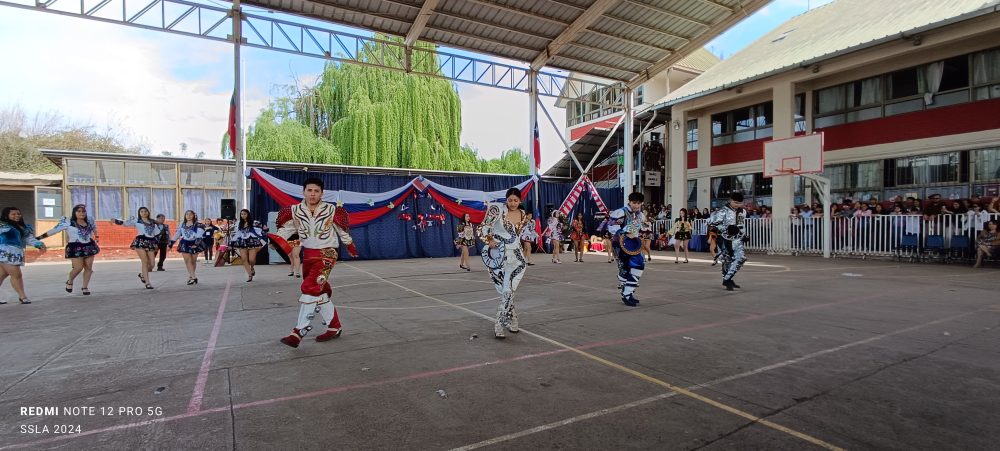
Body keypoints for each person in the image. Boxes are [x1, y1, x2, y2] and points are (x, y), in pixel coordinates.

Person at [280, 177, 357, 348]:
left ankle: (299, 331)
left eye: (316, 191)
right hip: (308, 255)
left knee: (310, 288)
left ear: (322, 193)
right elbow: (287, 229)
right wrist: (276, 239)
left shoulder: (331, 209)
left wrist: (349, 244)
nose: (313, 194)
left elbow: (340, 229)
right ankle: (334, 326)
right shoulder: (295, 210)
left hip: (327, 253)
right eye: (309, 190)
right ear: (304, 192)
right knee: (318, 291)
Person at [479, 188, 530, 339]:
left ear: (520, 201)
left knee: (508, 291)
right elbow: (482, 229)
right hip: (498, 257)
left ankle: (499, 324)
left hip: (517, 259)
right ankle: (513, 321)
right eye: (510, 200)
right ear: (506, 200)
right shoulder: (496, 210)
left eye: (516, 200)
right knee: (506, 292)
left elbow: (517, 236)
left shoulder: (523, 215)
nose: (513, 203)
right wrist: (489, 240)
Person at [37, 204, 99, 295]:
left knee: (88, 268)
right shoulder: (68, 221)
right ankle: (70, 281)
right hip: (75, 247)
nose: (81, 213)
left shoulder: (89, 219)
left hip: (89, 246)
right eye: (79, 211)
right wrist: (39, 238)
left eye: (83, 211)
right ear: (74, 212)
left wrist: (97, 236)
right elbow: (54, 230)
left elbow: (94, 228)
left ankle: (85, 287)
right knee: (78, 268)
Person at [0, 207, 46, 304]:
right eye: (13, 214)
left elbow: (29, 239)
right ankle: (22, 296)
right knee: (17, 274)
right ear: (6, 215)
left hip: (16, 252)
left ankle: (22, 296)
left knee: (2, 274)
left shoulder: (22, 227)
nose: (17, 216)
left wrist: (39, 244)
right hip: (5, 252)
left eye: (18, 214)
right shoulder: (2, 225)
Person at [609, 192, 646, 306]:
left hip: (633, 244)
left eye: (638, 203)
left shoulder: (640, 215)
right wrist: (625, 230)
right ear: (629, 201)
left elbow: (641, 228)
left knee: (638, 265)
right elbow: (611, 228)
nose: (636, 205)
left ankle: (627, 293)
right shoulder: (620, 212)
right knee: (625, 269)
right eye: (634, 202)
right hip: (619, 244)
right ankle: (627, 293)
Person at [113, 207, 162, 289]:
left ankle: (142, 274)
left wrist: (156, 243)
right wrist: (116, 221)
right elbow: (126, 223)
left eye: (145, 211)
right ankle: (147, 283)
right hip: (140, 241)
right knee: (145, 261)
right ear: (139, 213)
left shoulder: (153, 222)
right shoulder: (137, 221)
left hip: (151, 242)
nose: (144, 213)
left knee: (152, 264)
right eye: (142, 211)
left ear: (148, 212)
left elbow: (156, 233)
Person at [708, 192, 748, 291]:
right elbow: (710, 222)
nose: (737, 205)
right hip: (724, 239)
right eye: (735, 202)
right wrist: (725, 229)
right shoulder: (723, 211)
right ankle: (728, 280)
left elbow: (741, 225)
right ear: (730, 200)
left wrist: (744, 235)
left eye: (739, 203)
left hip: (737, 239)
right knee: (727, 260)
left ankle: (727, 279)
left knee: (741, 258)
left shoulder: (743, 211)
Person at [169, 210, 206, 285]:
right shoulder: (182, 224)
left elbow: (200, 235)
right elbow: (177, 234)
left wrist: (196, 244)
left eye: (190, 214)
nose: (188, 216)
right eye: (187, 214)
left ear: (194, 215)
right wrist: (171, 243)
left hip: (195, 243)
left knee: (193, 261)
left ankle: (191, 276)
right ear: (185, 216)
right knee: (187, 261)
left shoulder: (198, 225)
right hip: (185, 243)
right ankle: (194, 277)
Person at [231, 209, 267, 282]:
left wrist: (265, 229)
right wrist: (232, 241)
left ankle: (252, 267)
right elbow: (236, 233)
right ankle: (249, 275)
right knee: (244, 259)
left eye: (244, 214)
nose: (243, 215)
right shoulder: (238, 223)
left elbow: (263, 229)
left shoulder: (254, 222)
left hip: (252, 242)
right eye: (242, 214)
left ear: (248, 214)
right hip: (242, 242)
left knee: (251, 259)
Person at [269, 206, 302, 277]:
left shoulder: (299, 217)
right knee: (290, 256)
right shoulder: (282, 220)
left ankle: (297, 272)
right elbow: (280, 231)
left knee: (296, 255)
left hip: (296, 237)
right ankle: (291, 270)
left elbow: (301, 228)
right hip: (288, 238)